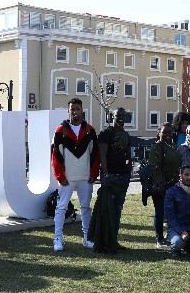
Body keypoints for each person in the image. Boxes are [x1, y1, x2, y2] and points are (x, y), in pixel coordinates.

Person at [51, 98, 100, 252]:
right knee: (61, 208)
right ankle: (57, 238)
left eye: (77, 109)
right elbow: (55, 156)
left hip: (85, 178)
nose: (75, 112)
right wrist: (60, 176)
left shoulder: (90, 130)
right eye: (72, 109)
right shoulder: (60, 130)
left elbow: (95, 154)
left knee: (86, 208)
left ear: (82, 111)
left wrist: (93, 174)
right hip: (67, 179)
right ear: (68, 111)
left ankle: (87, 238)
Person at [97, 106, 132, 231]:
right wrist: (106, 175)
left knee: (118, 208)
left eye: (123, 116)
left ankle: (113, 239)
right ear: (112, 117)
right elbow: (102, 156)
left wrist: (129, 171)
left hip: (123, 176)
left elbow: (128, 155)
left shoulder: (126, 135)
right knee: (108, 209)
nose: (121, 119)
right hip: (109, 176)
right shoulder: (105, 134)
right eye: (118, 116)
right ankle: (105, 241)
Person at [147, 123, 181, 248]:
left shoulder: (172, 145)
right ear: (159, 133)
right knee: (160, 212)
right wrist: (161, 184)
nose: (167, 135)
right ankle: (159, 239)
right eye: (164, 132)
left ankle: (170, 236)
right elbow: (155, 168)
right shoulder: (157, 147)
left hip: (173, 184)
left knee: (171, 211)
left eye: (170, 132)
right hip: (160, 185)